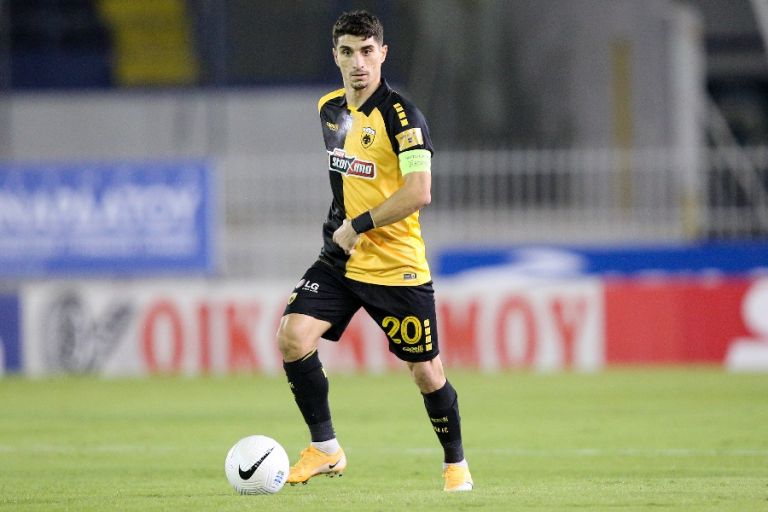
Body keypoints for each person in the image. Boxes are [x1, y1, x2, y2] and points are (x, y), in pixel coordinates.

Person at [277, 10, 473, 492]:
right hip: (341, 258)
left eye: (367, 51)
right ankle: (326, 449)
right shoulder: (328, 108)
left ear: (383, 53)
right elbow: (349, 175)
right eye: (348, 52)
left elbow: (419, 191)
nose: (358, 63)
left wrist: (358, 224)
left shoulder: (404, 118)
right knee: (293, 336)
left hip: (396, 266)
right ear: (336, 57)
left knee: (426, 373)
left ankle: (456, 466)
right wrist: (342, 229)